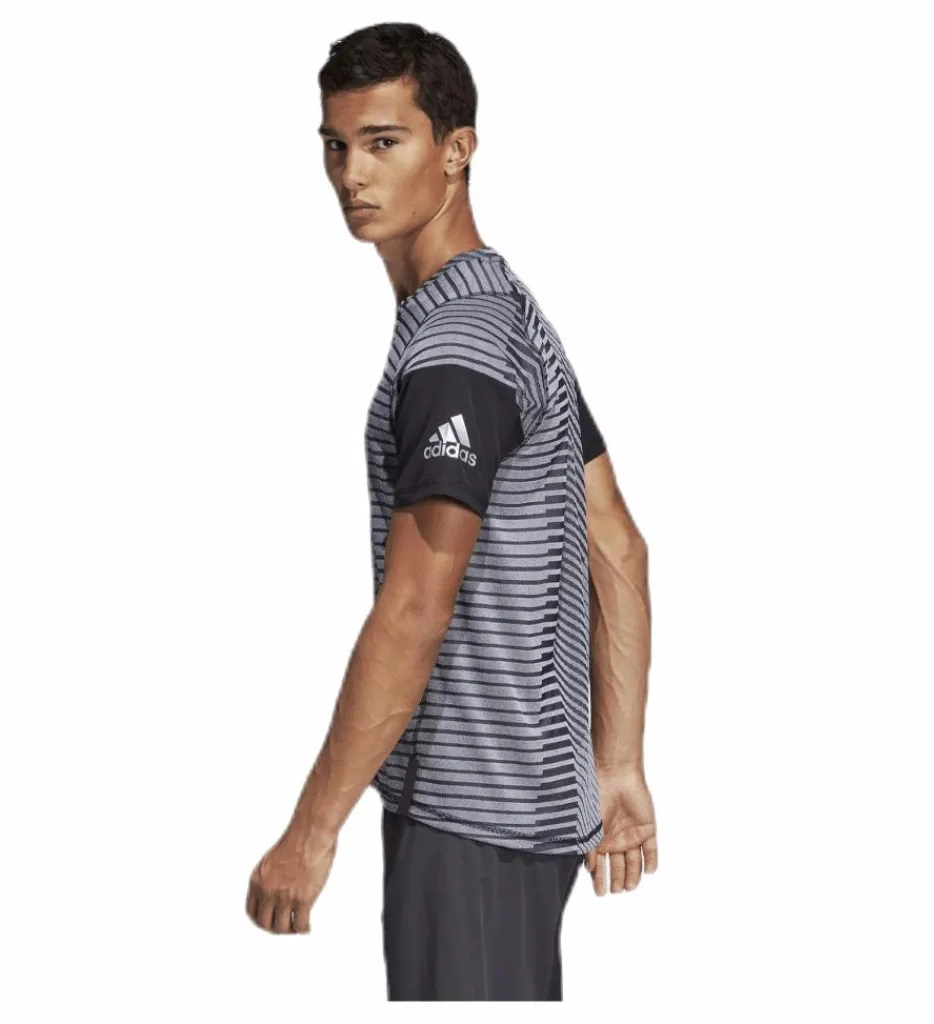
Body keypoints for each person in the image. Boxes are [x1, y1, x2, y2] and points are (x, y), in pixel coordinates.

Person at [245, 21, 657, 1001]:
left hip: (469, 822)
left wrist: (311, 832)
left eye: (384, 142)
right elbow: (617, 543)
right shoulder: (506, 311)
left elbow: (413, 610)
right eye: (336, 145)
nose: (352, 174)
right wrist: (615, 765)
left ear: (457, 149)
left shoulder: (453, 353)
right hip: (527, 811)